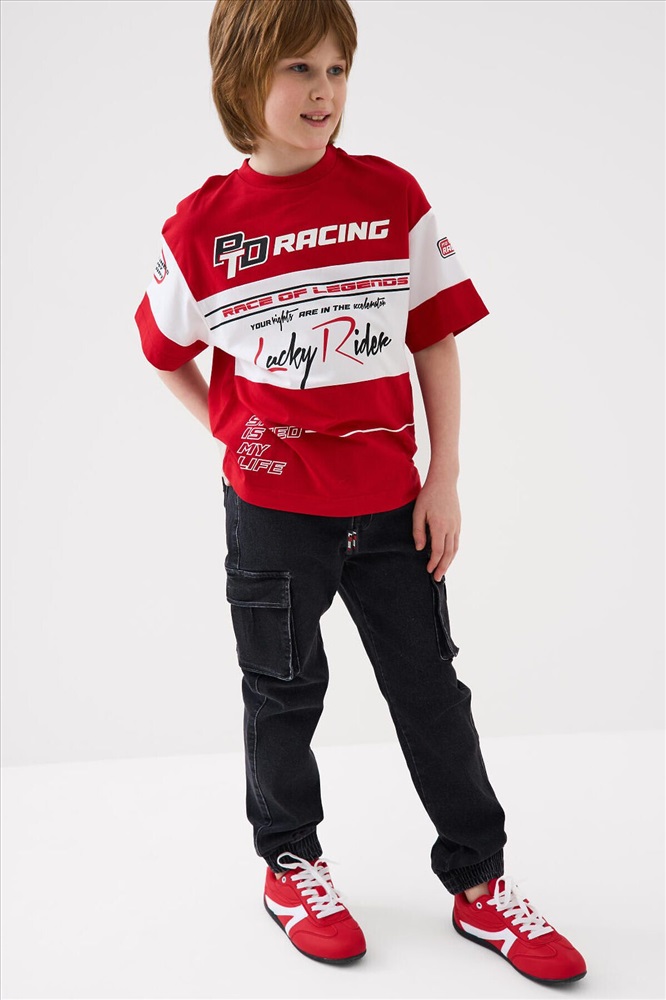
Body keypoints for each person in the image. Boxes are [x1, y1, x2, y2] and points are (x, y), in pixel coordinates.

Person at [135, 0, 586, 984]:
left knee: (431, 691)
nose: (324, 92)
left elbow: (435, 337)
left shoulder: (390, 197)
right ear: (241, 78)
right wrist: (230, 429)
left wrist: (443, 478)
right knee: (283, 690)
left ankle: (479, 881)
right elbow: (163, 350)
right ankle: (291, 866)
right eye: (300, 69)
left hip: (390, 507)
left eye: (337, 69)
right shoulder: (203, 228)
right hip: (272, 517)